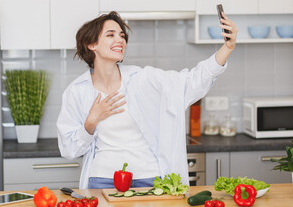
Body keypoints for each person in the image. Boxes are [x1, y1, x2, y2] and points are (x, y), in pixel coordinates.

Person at [57, 11, 238, 189]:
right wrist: (91, 121)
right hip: (102, 179)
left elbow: (190, 82)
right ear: (91, 44)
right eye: (110, 35)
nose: (120, 40)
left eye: (122, 35)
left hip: (149, 178)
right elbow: (69, 150)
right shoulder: (76, 92)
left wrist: (227, 48)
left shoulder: (143, 79)